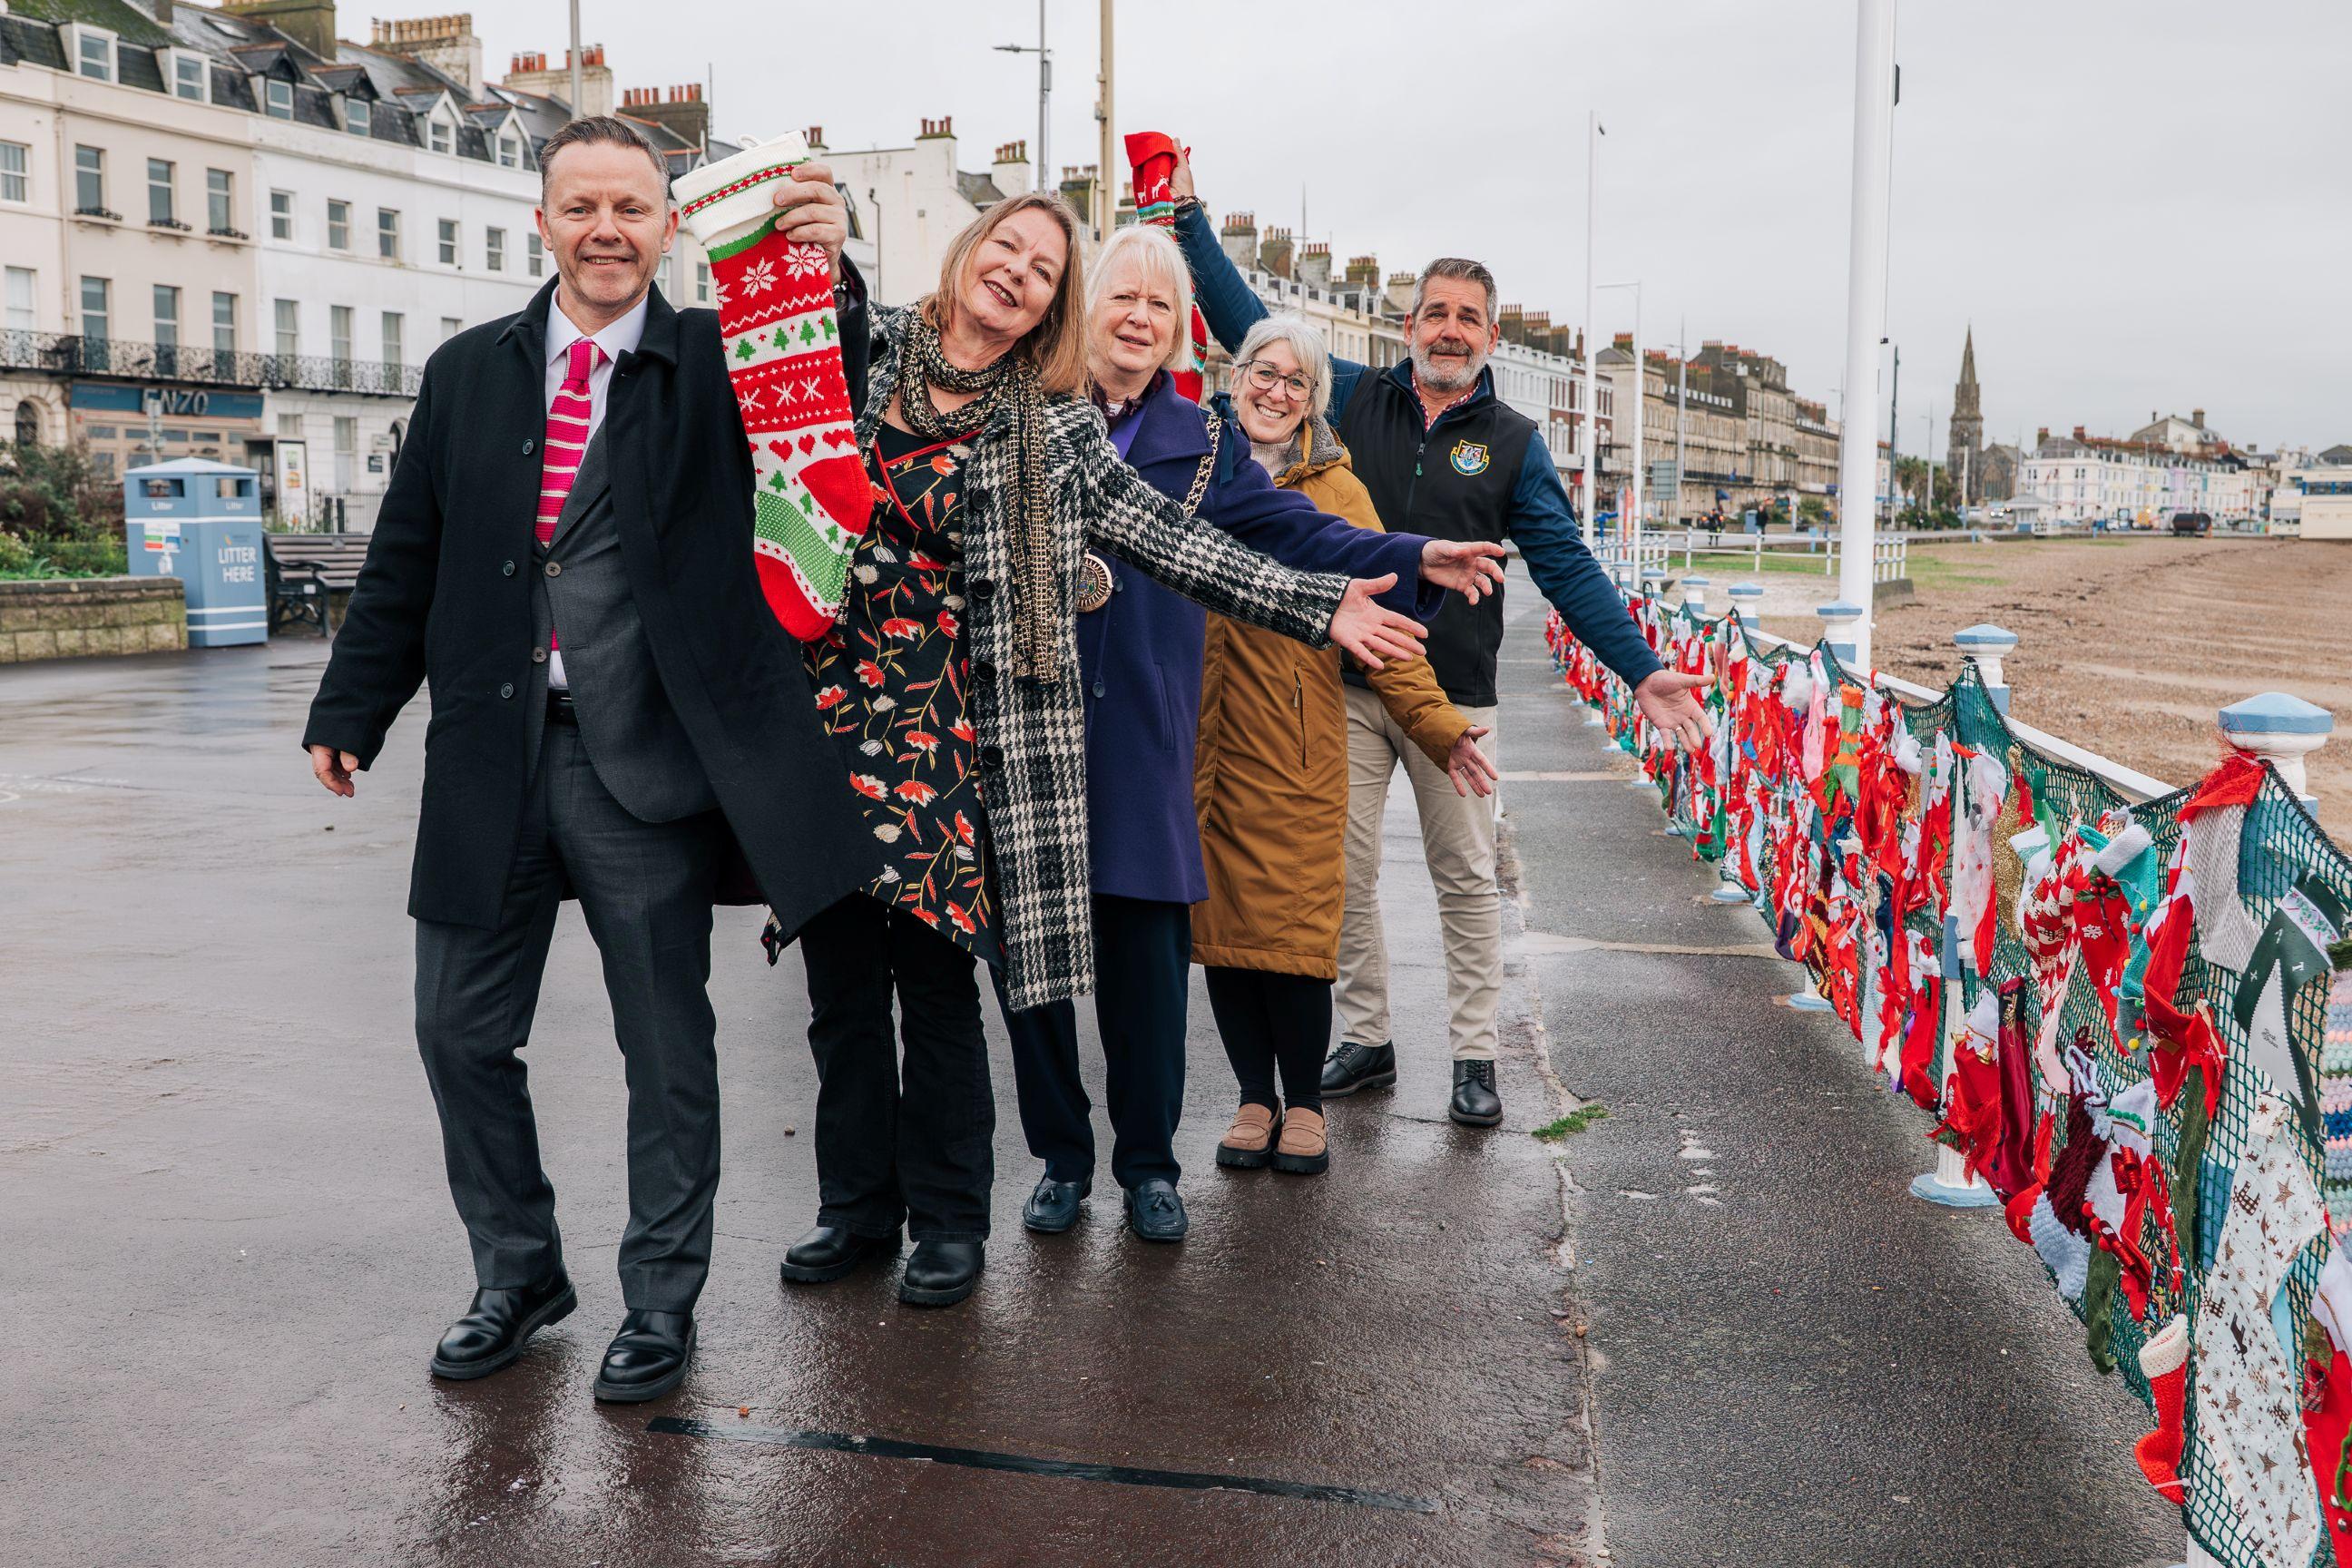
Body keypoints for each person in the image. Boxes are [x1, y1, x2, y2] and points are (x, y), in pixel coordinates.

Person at [774, 191, 1453, 1307]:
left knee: (949, 990)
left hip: (964, 732)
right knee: (842, 991)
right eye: (1008, 250)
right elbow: (787, 343)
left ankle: (954, 1221)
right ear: (964, 254)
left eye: (1045, 269)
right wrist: (810, 236)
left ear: (1055, 306)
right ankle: (856, 1208)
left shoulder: (1053, 422)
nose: (1021, 275)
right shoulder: (875, 350)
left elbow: (1182, 541)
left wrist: (1325, 603)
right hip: (834, 718)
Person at [300, 117, 874, 1403]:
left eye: (632, 206)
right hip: (489, 762)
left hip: (651, 766)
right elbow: (407, 557)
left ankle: (659, 1304)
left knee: (667, 1052)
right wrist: (353, 709)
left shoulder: (724, 362)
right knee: (454, 1032)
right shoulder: (465, 375)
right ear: (542, 223)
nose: (606, 229)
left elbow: (831, 411)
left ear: (670, 225)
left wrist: (828, 275)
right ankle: (518, 1274)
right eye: (581, 207)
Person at [1168, 150, 1711, 1130]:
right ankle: (1367, 1036)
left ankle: (1474, 1055)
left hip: (1456, 694)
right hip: (1343, 683)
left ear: (1490, 336)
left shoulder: (1512, 441)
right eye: (1434, 313)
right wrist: (1188, 217)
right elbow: (1251, 327)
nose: (1449, 330)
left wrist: (1639, 669)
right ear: (1409, 326)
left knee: (1465, 877)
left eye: (1468, 317)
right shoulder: (1356, 395)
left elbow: (1568, 565)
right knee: (1342, 872)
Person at [1000, 227, 1506, 1243]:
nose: (1138, 319)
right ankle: (1062, 1160)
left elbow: (1301, 532)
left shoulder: (1205, 439)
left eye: (1160, 305)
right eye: (1121, 298)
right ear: (1085, 307)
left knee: (1147, 971)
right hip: (1031, 722)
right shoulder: (1020, 414)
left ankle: (1147, 1165)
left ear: (1180, 328)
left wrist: (1414, 552)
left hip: (1149, 728)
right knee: (1038, 970)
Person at [1196, 315, 1500, 1178]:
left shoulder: (1339, 493)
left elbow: (1390, 636)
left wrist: (1440, 727)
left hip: (1293, 748)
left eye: (1298, 381)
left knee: (1290, 939)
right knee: (1220, 937)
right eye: (1263, 371)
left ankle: (1304, 1103)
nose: (1275, 391)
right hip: (1198, 740)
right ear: (1236, 373)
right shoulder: (1189, 465)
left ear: (1314, 401)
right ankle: (1253, 1096)